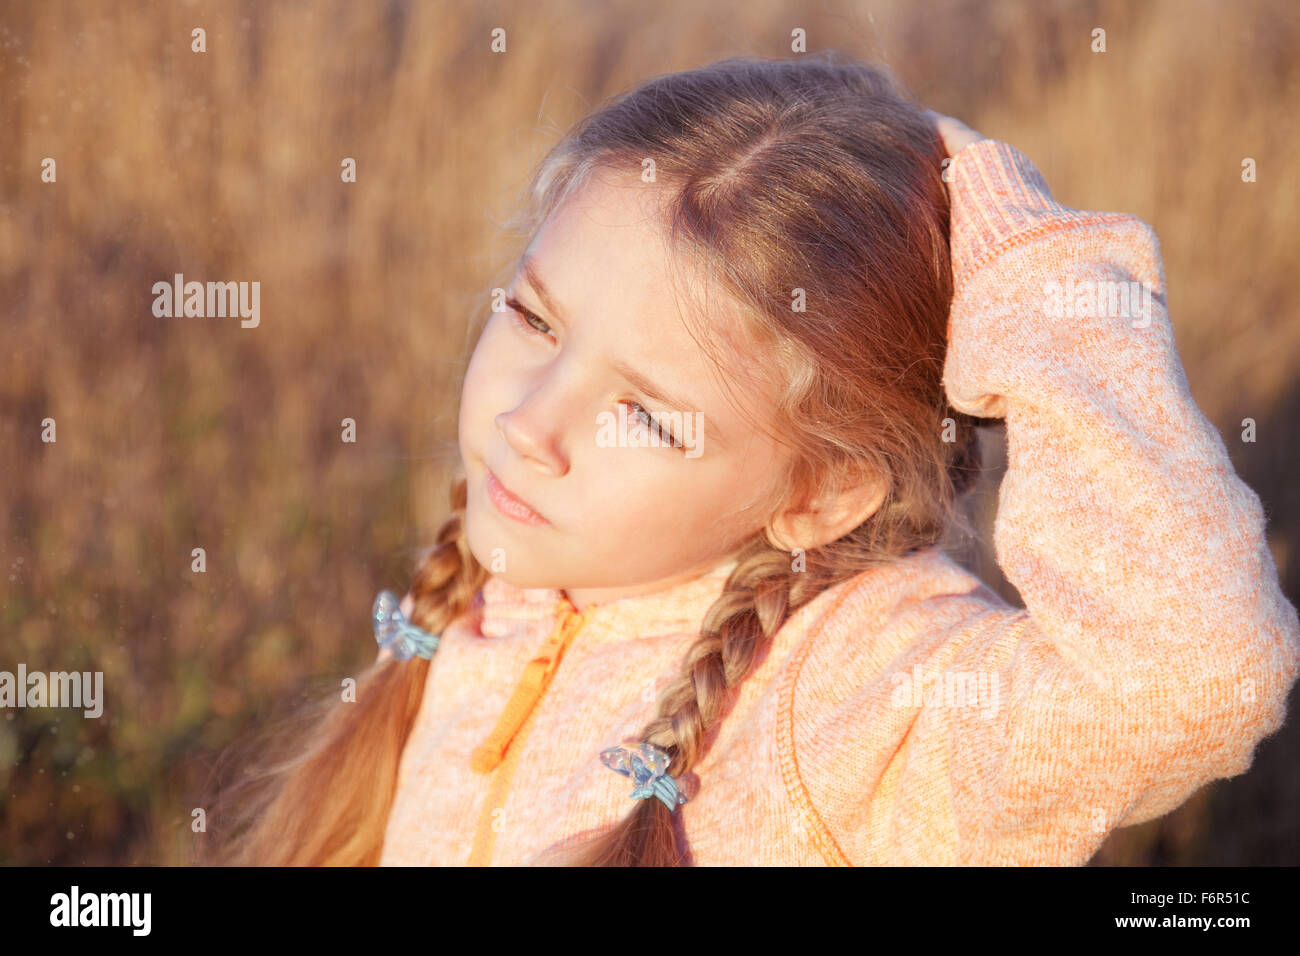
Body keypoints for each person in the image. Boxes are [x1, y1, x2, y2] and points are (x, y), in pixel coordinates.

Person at [205, 52, 1300, 866]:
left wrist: (1036, 274)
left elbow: (1198, 673)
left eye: (647, 413)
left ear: (823, 491)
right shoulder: (524, 574)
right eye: (536, 321)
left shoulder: (863, 703)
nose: (527, 422)